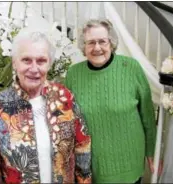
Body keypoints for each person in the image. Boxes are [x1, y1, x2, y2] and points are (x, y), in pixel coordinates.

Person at [0, 30, 92, 183]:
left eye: (41, 61)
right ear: (14, 62)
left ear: (49, 64)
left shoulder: (64, 97)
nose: (34, 68)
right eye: (26, 60)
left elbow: (82, 146)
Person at [65, 19, 159, 183]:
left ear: (112, 43)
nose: (97, 48)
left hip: (129, 163)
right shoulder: (73, 74)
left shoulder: (131, 67)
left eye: (102, 41)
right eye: (91, 42)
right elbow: (68, 120)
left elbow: (148, 115)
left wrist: (151, 151)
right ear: (83, 47)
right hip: (91, 166)